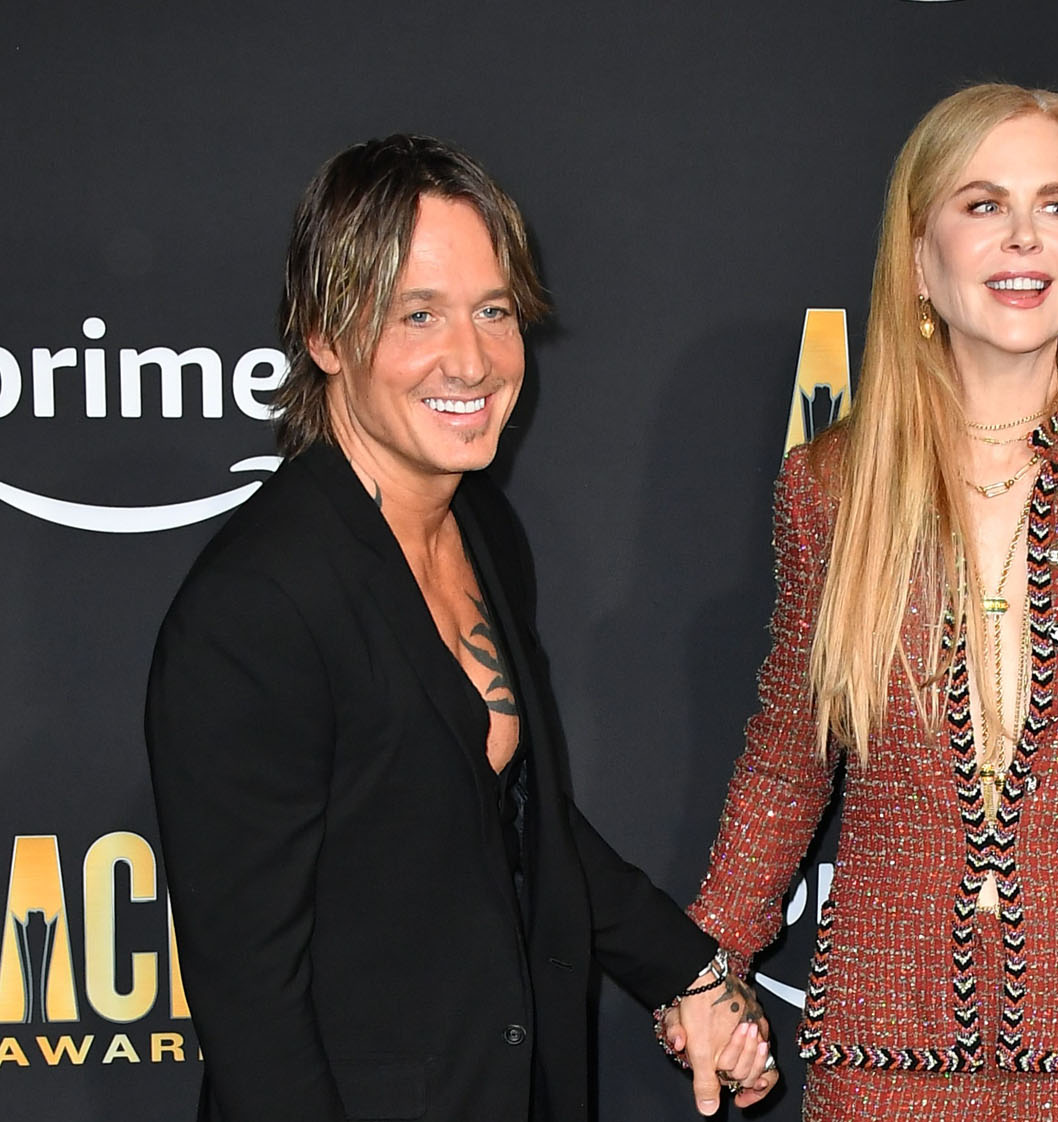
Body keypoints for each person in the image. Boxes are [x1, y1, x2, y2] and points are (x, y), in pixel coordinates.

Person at [145, 134, 777, 1122]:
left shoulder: (483, 531)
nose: (473, 359)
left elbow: (510, 817)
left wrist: (687, 973)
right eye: (419, 314)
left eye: (494, 310)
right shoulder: (257, 608)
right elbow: (253, 1011)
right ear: (325, 337)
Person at [684, 84, 1058, 1121]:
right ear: (919, 258)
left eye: (1057, 206)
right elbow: (789, 756)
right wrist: (705, 965)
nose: (1024, 237)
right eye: (984, 203)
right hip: (883, 1046)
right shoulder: (831, 489)